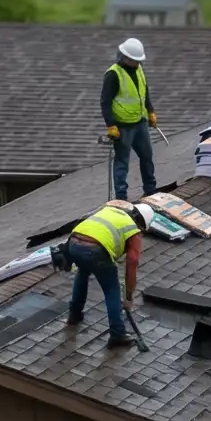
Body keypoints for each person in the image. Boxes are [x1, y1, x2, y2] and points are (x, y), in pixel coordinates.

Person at [65, 201, 146, 347]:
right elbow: (132, 261)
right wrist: (128, 297)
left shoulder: (110, 212)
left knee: (83, 271)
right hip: (95, 249)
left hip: (73, 243)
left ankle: (74, 315)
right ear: (141, 223)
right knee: (111, 290)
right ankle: (118, 334)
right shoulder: (133, 229)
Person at [101, 37, 159, 198]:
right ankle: (121, 197)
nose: (138, 63)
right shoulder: (113, 74)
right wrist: (111, 125)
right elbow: (105, 102)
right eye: (135, 60)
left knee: (147, 156)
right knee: (122, 162)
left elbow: (144, 92)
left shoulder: (139, 69)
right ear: (126, 57)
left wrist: (150, 111)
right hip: (123, 126)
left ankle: (150, 190)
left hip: (140, 123)